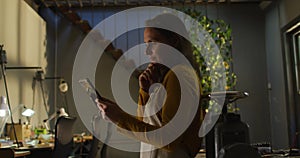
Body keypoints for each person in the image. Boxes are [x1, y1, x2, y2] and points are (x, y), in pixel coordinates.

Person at [96, 13, 203, 158]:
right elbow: (144, 127)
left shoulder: (180, 75)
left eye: (152, 43)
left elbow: (169, 139)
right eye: (146, 44)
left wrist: (120, 118)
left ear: (174, 41)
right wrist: (145, 92)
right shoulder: (168, 77)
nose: (147, 52)